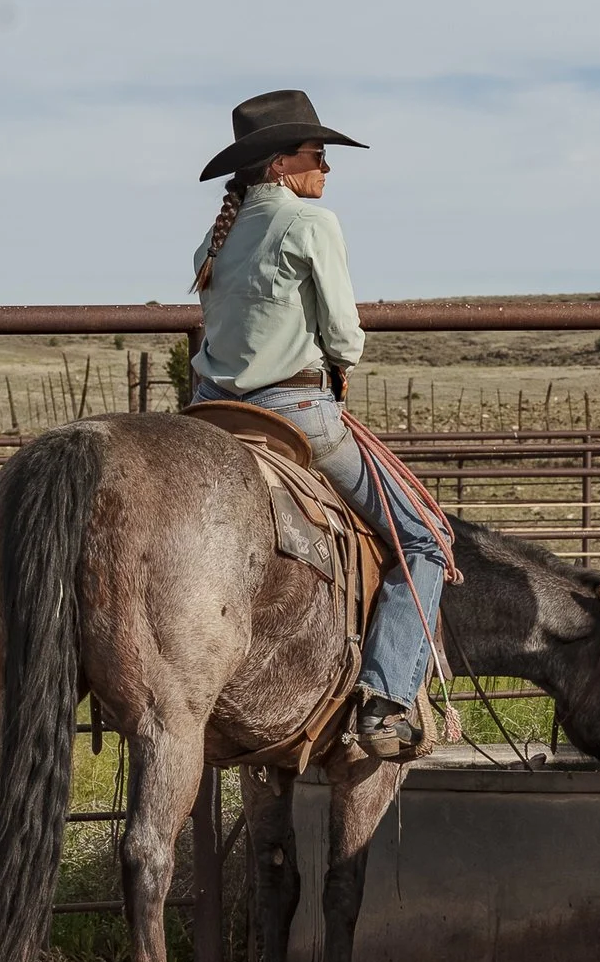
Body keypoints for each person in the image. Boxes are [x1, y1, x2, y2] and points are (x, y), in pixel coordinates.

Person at [187, 89, 448, 758]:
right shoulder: (312, 224)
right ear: (281, 165)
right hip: (294, 415)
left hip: (213, 418)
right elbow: (344, 334)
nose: (326, 170)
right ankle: (387, 700)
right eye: (317, 155)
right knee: (423, 538)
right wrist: (342, 359)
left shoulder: (213, 242)